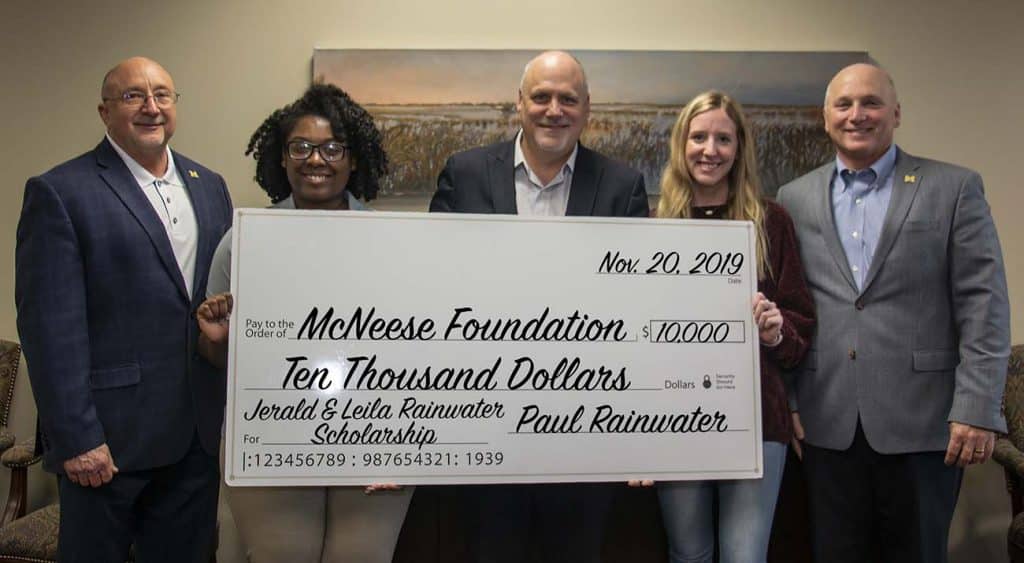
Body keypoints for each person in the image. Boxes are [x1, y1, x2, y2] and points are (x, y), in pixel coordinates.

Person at [776, 63, 1010, 563]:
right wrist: (790, 397)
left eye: (871, 103)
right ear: (825, 117)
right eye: (844, 104)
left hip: (925, 424)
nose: (857, 115)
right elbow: (791, 307)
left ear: (896, 113)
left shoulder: (954, 188)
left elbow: (983, 303)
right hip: (825, 421)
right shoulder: (793, 199)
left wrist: (976, 407)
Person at [429, 50, 648, 563]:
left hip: (585, 430)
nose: (555, 110)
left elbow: (638, 311)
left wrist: (645, 434)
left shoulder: (621, 186)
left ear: (587, 108)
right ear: (519, 103)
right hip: (484, 422)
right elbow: (431, 287)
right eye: (542, 97)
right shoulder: (464, 174)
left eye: (568, 99)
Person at [14, 57, 232, 561]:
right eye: (134, 96)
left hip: (196, 437)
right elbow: (49, 327)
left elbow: (214, 300)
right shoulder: (62, 192)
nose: (151, 107)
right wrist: (76, 437)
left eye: (163, 95)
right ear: (105, 111)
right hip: (108, 444)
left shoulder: (209, 185)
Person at [195, 83, 413, 563]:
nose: (317, 159)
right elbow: (219, 356)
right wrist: (216, 340)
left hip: (373, 440)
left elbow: (415, 353)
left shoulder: (396, 243)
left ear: (354, 160)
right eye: (301, 147)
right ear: (282, 158)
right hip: (274, 438)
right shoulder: (243, 240)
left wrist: (404, 442)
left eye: (333, 148)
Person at [640, 91, 814, 563]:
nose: (709, 150)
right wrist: (632, 437)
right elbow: (633, 337)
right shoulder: (653, 227)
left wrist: (776, 332)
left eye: (723, 138)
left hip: (756, 417)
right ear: (681, 144)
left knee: (745, 556)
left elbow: (801, 328)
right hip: (672, 418)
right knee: (689, 554)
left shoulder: (771, 222)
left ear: (739, 149)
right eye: (699, 137)